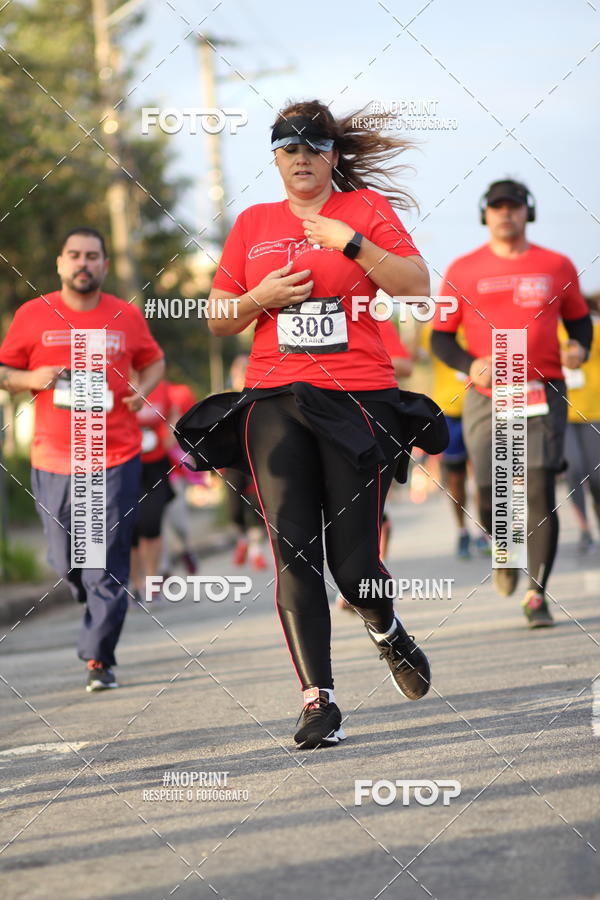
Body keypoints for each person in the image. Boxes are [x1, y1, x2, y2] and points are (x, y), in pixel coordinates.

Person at [176, 100, 448, 748]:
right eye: (288, 147)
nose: (301, 157)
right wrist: (257, 300)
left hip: (358, 397)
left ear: (332, 155)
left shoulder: (366, 210)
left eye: (313, 146)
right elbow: (218, 318)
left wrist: (351, 244)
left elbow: (416, 286)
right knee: (294, 550)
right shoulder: (253, 223)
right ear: (274, 157)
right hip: (274, 399)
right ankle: (317, 700)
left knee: (353, 567)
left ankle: (384, 627)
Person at [0, 227, 164, 689]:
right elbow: (4, 371)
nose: (83, 263)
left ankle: (98, 658)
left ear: (105, 265)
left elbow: (154, 362)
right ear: (60, 263)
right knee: (64, 560)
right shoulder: (33, 315)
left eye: (92, 256)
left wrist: (142, 390)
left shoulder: (125, 316)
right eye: (74, 255)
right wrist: (33, 375)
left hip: (114, 455)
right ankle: (85, 588)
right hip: (53, 457)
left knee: (104, 563)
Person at [431, 179, 592, 627]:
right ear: (486, 214)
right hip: (487, 395)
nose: (506, 214)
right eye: (497, 207)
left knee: (538, 485)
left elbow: (580, 325)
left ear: (528, 212)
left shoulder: (556, 265)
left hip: (543, 391)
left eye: (514, 207)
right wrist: (470, 362)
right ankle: (504, 547)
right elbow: (440, 339)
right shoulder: (462, 270)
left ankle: (536, 596)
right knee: (491, 491)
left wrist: (579, 348)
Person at [419, 322, 489, 559]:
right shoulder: (434, 330)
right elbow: (413, 354)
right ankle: (462, 531)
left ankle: (486, 531)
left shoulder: (481, 324)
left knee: (483, 475)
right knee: (456, 478)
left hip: (482, 406)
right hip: (449, 411)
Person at [558, 298, 600, 553]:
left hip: (594, 413)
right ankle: (584, 529)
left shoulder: (594, 329)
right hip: (561, 414)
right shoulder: (549, 330)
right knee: (573, 470)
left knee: (597, 477)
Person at [130, 378, 178, 603]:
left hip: (157, 465)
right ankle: (134, 583)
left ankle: (151, 582)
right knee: (131, 527)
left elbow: (173, 413)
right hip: (126, 464)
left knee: (152, 522)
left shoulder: (160, 387)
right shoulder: (117, 384)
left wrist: (171, 431)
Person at [224, 355, 268, 571]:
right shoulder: (223, 399)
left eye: (245, 372)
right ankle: (242, 539)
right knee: (234, 508)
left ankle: (256, 551)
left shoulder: (259, 399)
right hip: (232, 462)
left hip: (256, 460)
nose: (240, 377)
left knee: (257, 506)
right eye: (237, 373)